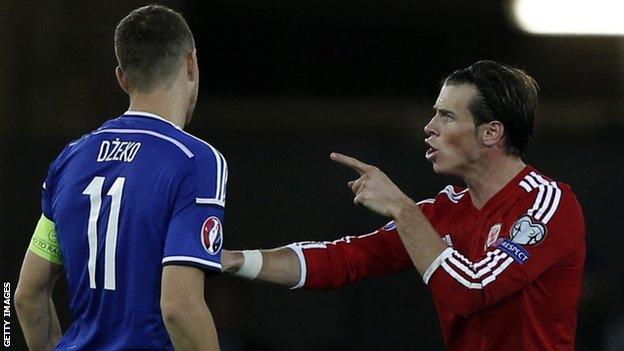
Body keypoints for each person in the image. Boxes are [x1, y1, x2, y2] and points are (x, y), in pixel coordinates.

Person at [222, 60, 585, 350]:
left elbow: (474, 291)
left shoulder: (547, 203)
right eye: (435, 113)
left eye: (447, 116)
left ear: (491, 132)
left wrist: (402, 207)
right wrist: (238, 260)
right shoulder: (441, 213)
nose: (429, 127)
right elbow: (343, 260)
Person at [15, 5, 225, 350]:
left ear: (122, 78)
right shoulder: (196, 160)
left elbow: (26, 295)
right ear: (191, 63)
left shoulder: (71, 159)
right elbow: (179, 308)